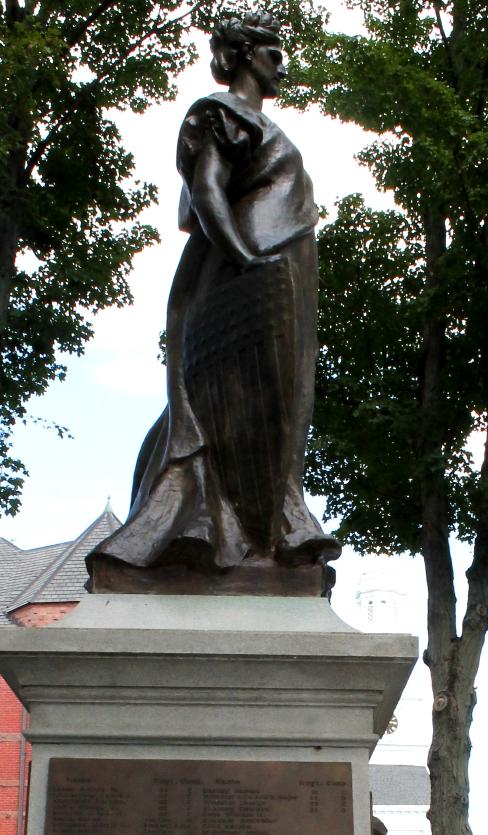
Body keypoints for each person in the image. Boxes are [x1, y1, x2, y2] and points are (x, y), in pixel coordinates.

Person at [87, 12, 341, 590]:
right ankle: (203, 529)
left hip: (279, 279)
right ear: (246, 55)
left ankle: (265, 533)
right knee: (230, 402)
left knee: (275, 409)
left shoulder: (259, 125)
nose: (283, 64)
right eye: (273, 53)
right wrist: (243, 255)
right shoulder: (221, 114)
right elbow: (202, 194)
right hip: (248, 278)